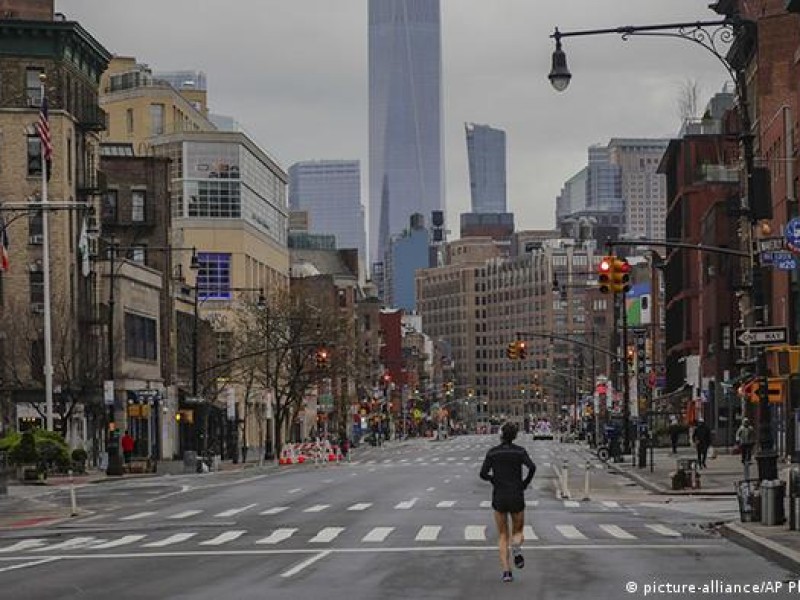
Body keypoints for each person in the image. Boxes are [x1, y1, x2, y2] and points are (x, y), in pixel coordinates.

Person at [479, 422, 536, 583]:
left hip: (500, 496)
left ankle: (506, 572)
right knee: (518, 532)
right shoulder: (519, 452)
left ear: (501, 435)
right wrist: (524, 483)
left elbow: (483, 473)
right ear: (515, 436)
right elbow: (532, 467)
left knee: (503, 535)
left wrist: (493, 480)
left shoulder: (493, 453)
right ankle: (517, 548)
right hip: (517, 494)